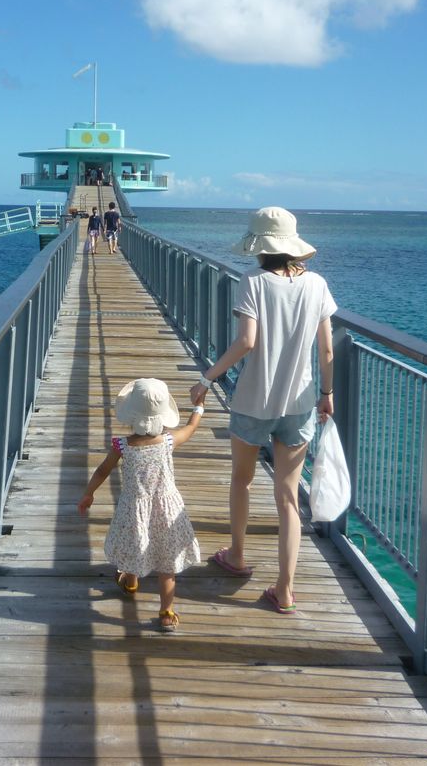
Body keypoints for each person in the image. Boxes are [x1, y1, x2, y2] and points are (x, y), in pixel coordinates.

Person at [190, 207, 336, 615]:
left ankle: (237, 556)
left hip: (253, 400)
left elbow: (246, 342)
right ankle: (285, 589)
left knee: (242, 480)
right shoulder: (317, 284)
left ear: (259, 246)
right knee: (288, 497)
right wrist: (327, 393)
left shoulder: (252, 282)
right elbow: (326, 349)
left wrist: (207, 379)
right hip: (300, 403)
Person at [78, 379, 203, 632]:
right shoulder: (168, 441)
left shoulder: (122, 446)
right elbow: (191, 427)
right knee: (167, 566)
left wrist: (89, 493)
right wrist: (199, 406)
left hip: (134, 509)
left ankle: (130, 581)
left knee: (134, 544)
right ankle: (166, 612)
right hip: (166, 511)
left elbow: (102, 470)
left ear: (131, 416)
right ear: (164, 416)